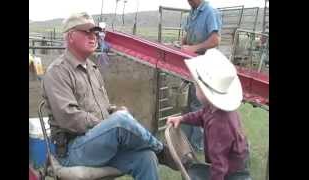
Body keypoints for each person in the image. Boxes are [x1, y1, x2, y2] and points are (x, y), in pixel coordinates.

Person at [42, 12, 177, 180]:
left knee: (146, 158)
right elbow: (69, 118)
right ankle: (163, 151)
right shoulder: (57, 72)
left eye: (95, 32)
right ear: (70, 36)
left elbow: (103, 108)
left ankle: (156, 151)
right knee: (120, 122)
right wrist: (110, 124)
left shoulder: (93, 69)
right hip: (73, 149)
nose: (93, 37)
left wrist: (114, 112)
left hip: (99, 145)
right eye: (86, 32)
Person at [167, 49, 251, 180]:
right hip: (236, 162)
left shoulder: (219, 125)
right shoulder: (214, 108)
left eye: (196, 85)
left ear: (204, 92)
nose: (195, 88)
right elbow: (201, 115)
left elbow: (219, 165)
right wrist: (182, 118)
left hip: (233, 173)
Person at [181, 0, 222, 151]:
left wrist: (192, 48)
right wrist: (182, 44)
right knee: (187, 103)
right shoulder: (192, 13)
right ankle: (185, 140)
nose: (188, 1)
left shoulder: (210, 12)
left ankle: (197, 144)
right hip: (191, 64)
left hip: (204, 65)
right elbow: (187, 35)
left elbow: (215, 40)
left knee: (198, 104)